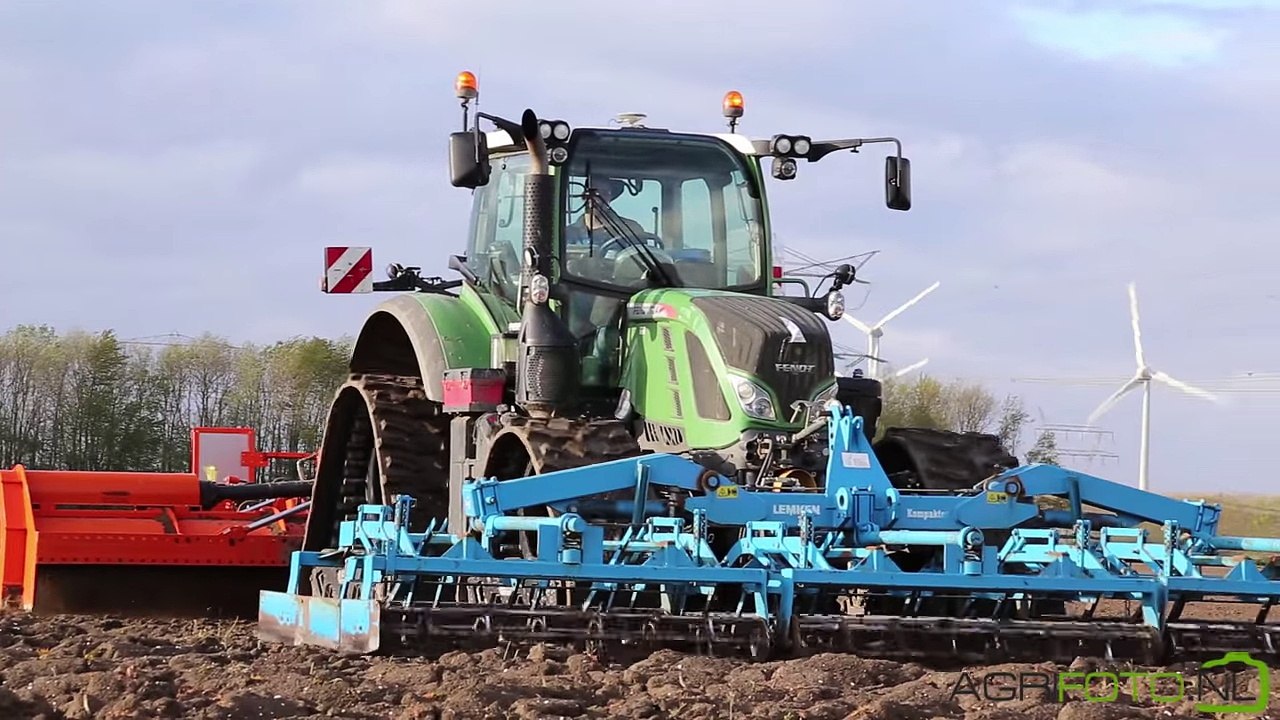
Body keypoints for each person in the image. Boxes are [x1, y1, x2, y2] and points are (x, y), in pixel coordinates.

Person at [563, 175, 648, 251]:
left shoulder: (631, 230)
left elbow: (642, 264)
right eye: (595, 193)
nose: (599, 197)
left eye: (605, 193)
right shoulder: (567, 234)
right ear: (584, 196)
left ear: (610, 197)